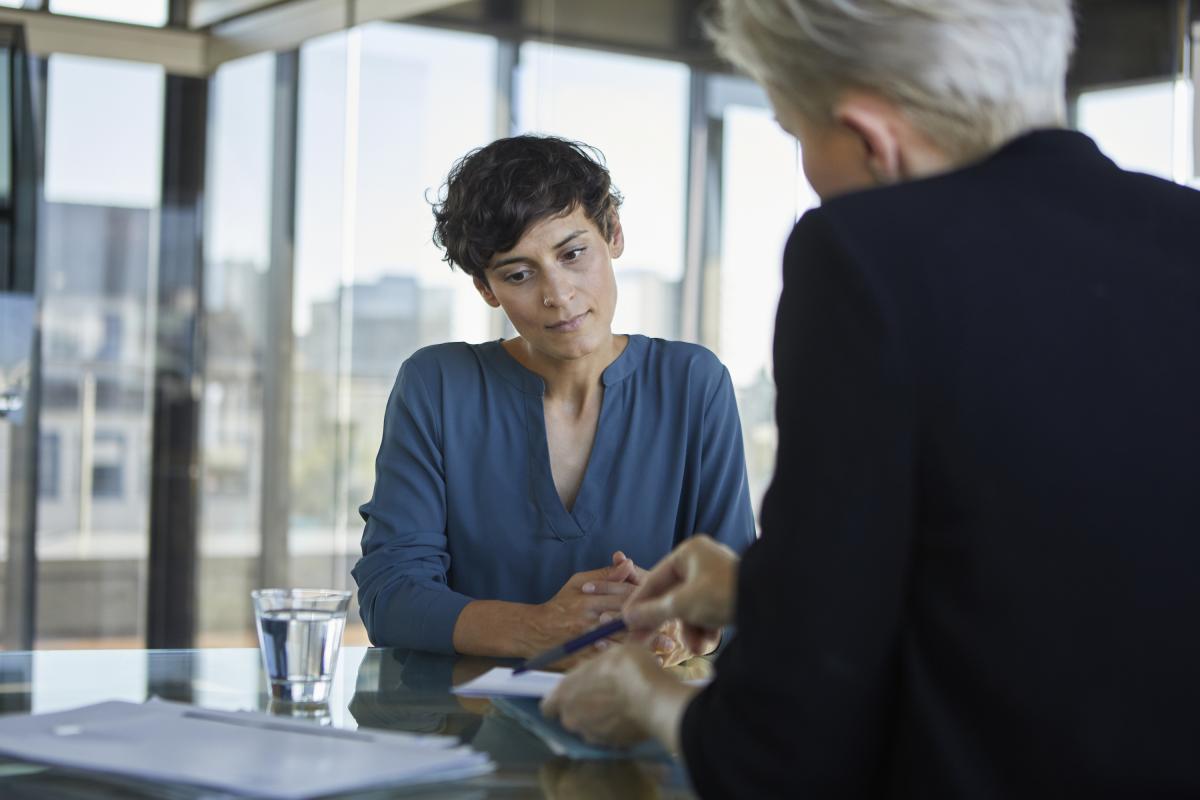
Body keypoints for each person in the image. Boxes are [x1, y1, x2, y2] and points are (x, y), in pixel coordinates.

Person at [543, 0, 1200, 796]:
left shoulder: (865, 258)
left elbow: (785, 751)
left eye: (797, 137)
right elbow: (1063, 580)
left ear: (870, 138)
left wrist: (653, 701)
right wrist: (764, 591)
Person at [353, 135, 756, 662]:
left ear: (612, 233)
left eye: (572, 254)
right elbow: (390, 597)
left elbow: (742, 603)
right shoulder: (436, 385)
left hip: (640, 727)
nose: (558, 294)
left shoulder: (693, 384)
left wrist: (680, 625)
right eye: (519, 274)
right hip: (469, 733)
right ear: (486, 289)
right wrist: (537, 629)